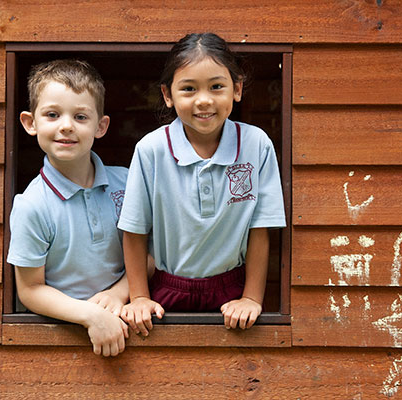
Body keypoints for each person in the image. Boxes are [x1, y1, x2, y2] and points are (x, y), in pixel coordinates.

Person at [118, 33, 286, 336]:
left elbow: (260, 229)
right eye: (189, 89)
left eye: (217, 86)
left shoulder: (256, 144)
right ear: (168, 95)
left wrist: (251, 298)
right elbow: (134, 230)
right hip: (165, 290)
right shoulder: (151, 149)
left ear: (237, 89)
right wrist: (139, 297)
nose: (204, 99)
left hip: (232, 291)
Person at [7, 60, 129, 356]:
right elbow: (30, 290)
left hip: (126, 319)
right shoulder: (31, 205)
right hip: (60, 336)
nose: (66, 126)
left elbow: (150, 255)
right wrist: (91, 315)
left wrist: (119, 293)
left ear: (101, 126)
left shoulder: (127, 184)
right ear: (30, 123)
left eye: (80, 116)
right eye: (52, 114)